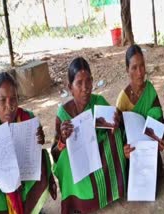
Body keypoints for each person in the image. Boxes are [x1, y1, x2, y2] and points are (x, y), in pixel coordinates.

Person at [51, 57, 126, 213]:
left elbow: (117, 127)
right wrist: (63, 141)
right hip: (79, 164)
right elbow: (55, 154)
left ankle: (110, 189)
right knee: (65, 157)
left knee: (116, 135)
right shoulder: (64, 113)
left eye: (89, 81)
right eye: (79, 83)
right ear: (70, 87)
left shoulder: (99, 102)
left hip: (98, 159)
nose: (85, 88)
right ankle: (76, 201)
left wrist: (116, 121)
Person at [0, 72, 57, 213]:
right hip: (1, 187)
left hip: (25, 177)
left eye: (14, 99)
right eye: (2, 100)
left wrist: (38, 141)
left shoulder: (27, 118)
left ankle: (33, 208)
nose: (9, 106)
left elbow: (38, 154)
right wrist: (9, 181)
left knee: (42, 158)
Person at [116, 44, 164, 181]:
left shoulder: (149, 90)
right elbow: (117, 134)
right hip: (132, 152)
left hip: (150, 147)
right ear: (127, 70)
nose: (140, 72)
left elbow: (159, 120)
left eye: (142, 66)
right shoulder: (123, 99)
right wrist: (123, 150)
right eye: (134, 67)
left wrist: (161, 138)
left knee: (155, 181)